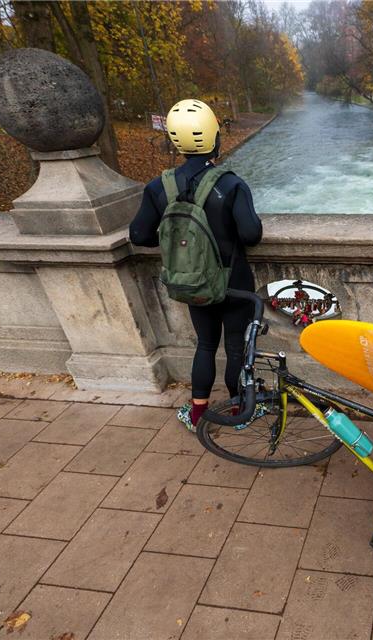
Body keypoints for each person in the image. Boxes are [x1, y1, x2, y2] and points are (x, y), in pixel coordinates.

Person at [129, 99, 262, 430]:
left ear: (177, 142)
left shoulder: (159, 186)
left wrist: (174, 242)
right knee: (235, 347)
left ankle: (198, 413)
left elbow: (139, 235)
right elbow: (251, 234)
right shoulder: (231, 184)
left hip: (191, 281)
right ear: (215, 137)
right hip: (233, 282)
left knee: (205, 344)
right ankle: (239, 412)